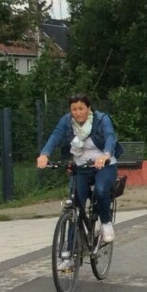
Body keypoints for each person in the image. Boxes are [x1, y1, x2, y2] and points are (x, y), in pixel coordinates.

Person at [37, 93, 121, 246]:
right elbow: (55, 136)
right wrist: (44, 154)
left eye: (81, 108)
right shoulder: (67, 121)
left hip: (104, 166)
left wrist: (106, 155)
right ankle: (68, 253)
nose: (78, 113)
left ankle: (106, 223)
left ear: (88, 108)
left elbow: (110, 136)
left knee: (101, 191)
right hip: (81, 168)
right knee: (74, 206)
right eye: (74, 109)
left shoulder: (101, 119)